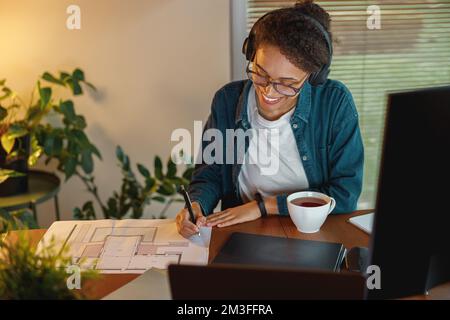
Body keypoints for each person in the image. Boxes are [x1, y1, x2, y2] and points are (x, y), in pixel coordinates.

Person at [176, 0, 364, 238]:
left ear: (312, 77)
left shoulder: (334, 103)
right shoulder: (227, 100)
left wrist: (264, 206)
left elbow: (345, 194)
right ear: (251, 55)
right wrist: (196, 205)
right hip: (244, 233)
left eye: (286, 84)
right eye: (260, 74)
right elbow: (210, 175)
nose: (269, 91)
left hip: (314, 232)